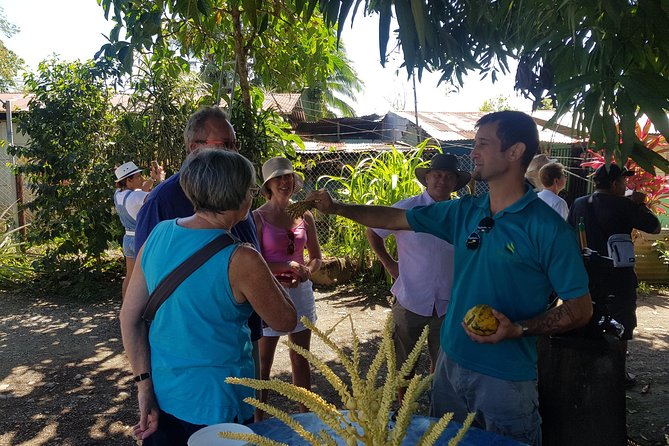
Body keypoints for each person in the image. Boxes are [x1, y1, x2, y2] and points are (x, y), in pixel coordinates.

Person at [306, 110, 593, 445]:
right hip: (450, 365)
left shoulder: (548, 228)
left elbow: (580, 308)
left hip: (506, 380)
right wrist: (337, 207)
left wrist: (519, 328)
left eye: (483, 144)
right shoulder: (465, 211)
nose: (473, 153)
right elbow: (395, 218)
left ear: (515, 152)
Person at [120, 149, 297, 445]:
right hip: (219, 402)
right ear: (242, 199)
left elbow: (129, 316)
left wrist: (143, 385)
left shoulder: (159, 234)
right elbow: (286, 319)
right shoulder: (241, 258)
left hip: (165, 394)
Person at [133, 106, 264, 383]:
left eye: (235, 144)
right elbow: (144, 288)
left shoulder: (238, 191)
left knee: (252, 417)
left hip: (242, 340)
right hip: (193, 359)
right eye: (225, 144)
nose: (234, 152)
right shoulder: (163, 202)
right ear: (194, 148)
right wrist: (144, 380)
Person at [365, 153, 470, 403]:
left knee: (443, 363)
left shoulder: (461, 213)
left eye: (448, 176)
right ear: (427, 178)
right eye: (437, 175)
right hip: (411, 299)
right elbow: (373, 230)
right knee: (404, 363)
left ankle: (437, 407)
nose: (442, 180)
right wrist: (389, 263)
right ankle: (404, 410)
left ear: (456, 182)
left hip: (448, 304)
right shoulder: (407, 208)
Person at [567, 163, 660, 387]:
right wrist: (641, 205)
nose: (625, 184)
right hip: (618, 275)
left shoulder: (579, 203)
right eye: (623, 181)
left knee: (586, 318)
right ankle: (618, 372)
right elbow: (655, 227)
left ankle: (583, 370)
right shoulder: (624, 205)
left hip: (587, 272)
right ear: (613, 183)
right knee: (622, 322)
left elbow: (569, 233)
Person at [252, 157, 322, 416]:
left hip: (300, 292)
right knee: (263, 362)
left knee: (300, 357)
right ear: (268, 184)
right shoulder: (257, 218)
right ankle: (259, 422)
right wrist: (287, 267)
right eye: (278, 178)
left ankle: (305, 420)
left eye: (288, 177)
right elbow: (254, 263)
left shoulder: (305, 214)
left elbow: (316, 258)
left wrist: (307, 271)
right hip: (268, 292)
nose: (284, 182)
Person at [113, 161, 164, 299]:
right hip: (141, 239)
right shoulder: (137, 196)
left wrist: (152, 179)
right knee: (149, 275)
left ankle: (126, 309)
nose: (141, 179)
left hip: (128, 239)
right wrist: (161, 180)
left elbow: (142, 190)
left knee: (129, 276)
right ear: (128, 180)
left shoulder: (118, 194)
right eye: (138, 177)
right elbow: (160, 197)